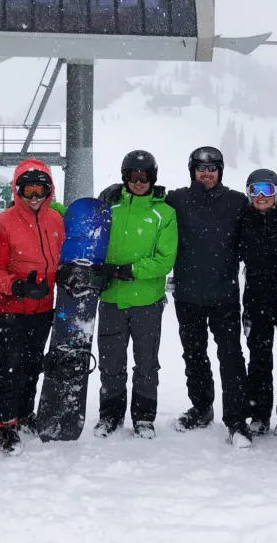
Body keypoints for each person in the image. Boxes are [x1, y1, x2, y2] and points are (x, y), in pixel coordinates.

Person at [166, 146, 253, 447]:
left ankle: (237, 421)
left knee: (230, 358)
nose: (206, 173)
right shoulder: (176, 200)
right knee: (194, 355)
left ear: (220, 171)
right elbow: (147, 209)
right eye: (201, 168)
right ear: (192, 170)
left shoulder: (236, 202)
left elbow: (259, 225)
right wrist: (114, 193)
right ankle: (202, 408)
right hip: (188, 295)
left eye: (212, 168)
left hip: (224, 296)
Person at [92, 150, 178, 439]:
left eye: (144, 177)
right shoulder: (110, 208)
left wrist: (127, 270)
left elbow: (165, 260)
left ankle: (143, 417)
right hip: (112, 300)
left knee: (146, 363)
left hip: (146, 302)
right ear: (124, 177)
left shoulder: (163, 213)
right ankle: (110, 416)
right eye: (133, 176)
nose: (139, 182)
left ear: (153, 178)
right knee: (111, 361)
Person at [0, 159, 66, 455]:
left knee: (33, 364)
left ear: (49, 191)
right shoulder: (5, 222)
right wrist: (18, 287)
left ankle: (24, 412)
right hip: (10, 307)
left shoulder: (56, 220)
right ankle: (6, 423)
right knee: (11, 365)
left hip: (43, 306)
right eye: (28, 190)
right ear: (17, 191)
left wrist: (66, 274)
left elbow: (60, 259)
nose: (34, 197)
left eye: (40, 190)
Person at [237, 168, 277, 438]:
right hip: (256, 300)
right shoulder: (244, 219)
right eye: (255, 190)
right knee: (259, 360)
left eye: (267, 190)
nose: (261, 196)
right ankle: (259, 414)